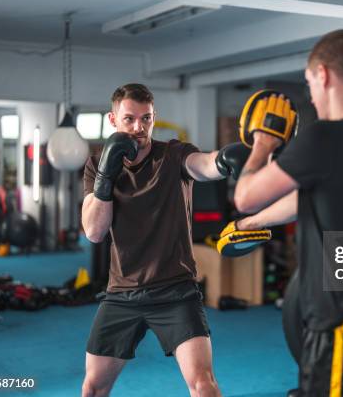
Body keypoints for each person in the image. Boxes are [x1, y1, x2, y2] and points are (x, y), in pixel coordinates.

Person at [234, 30, 343, 396]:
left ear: (324, 75)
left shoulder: (323, 138)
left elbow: (245, 195)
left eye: (309, 82)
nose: (311, 97)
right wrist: (253, 224)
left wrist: (261, 145)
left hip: (341, 334)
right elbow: (313, 198)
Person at [81, 83, 248, 397]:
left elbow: (204, 165)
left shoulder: (173, 154)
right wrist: (107, 175)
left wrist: (225, 160)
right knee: (92, 388)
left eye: (147, 118)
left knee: (203, 384)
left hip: (175, 290)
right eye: (129, 119)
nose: (139, 127)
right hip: (122, 293)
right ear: (112, 120)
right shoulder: (96, 165)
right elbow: (94, 231)